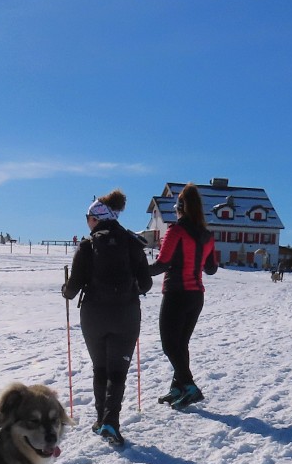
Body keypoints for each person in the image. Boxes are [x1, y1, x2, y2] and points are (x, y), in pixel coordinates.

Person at [62, 190, 151, 446]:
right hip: (126, 315)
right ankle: (111, 421)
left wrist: (64, 288)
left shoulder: (88, 246)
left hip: (94, 316)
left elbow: (72, 290)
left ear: (97, 218)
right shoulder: (132, 243)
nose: (87, 221)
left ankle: (101, 419)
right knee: (118, 371)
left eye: (88, 216)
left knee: (100, 367)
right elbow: (146, 283)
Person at [149, 183, 218, 408]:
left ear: (179, 209)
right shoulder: (207, 236)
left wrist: (138, 271)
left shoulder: (176, 231)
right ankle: (177, 388)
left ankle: (189, 386)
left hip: (176, 294)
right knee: (181, 344)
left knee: (170, 345)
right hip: (196, 296)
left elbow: (162, 264)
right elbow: (211, 269)